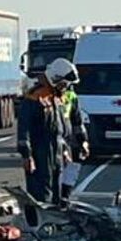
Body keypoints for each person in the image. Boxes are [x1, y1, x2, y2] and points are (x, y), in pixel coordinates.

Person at [17, 58, 79, 204]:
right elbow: (23, 129)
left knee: (58, 195)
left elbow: (61, 128)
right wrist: (27, 156)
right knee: (41, 195)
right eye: (64, 83)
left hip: (57, 153)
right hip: (40, 153)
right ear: (55, 79)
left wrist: (65, 149)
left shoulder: (57, 99)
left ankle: (55, 223)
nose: (66, 87)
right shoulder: (34, 98)